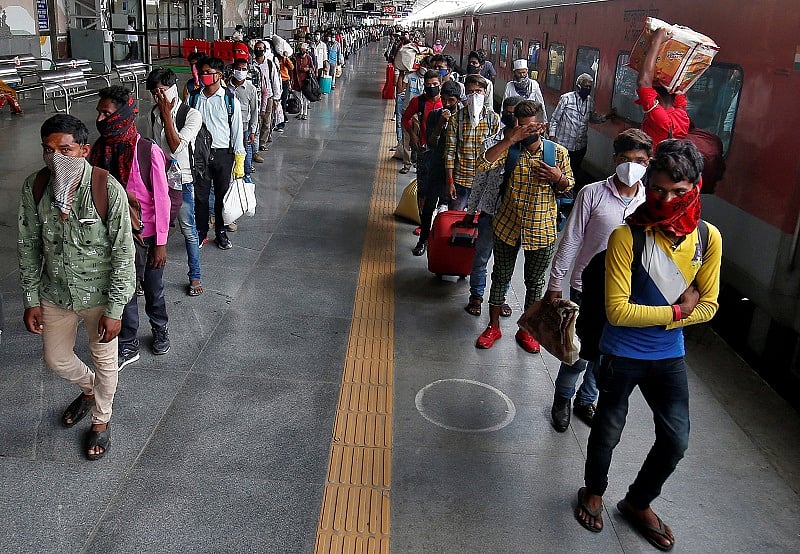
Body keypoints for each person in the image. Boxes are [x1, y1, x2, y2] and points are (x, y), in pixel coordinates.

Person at [575, 140, 722, 552]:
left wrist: (674, 313)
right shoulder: (627, 237)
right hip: (621, 353)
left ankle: (638, 501)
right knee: (606, 432)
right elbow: (619, 313)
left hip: (669, 357)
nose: (666, 200)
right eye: (657, 190)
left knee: (676, 439)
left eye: (679, 192)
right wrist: (677, 313)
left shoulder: (708, 239)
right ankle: (593, 491)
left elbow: (709, 306)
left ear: (696, 187)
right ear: (647, 187)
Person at [18, 114, 135, 460]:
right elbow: (28, 244)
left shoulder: (106, 188)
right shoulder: (36, 187)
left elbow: (124, 253)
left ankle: (101, 420)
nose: (56, 158)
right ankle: (89, 390)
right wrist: (30, 298)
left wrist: (116, 311)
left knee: (106, 362)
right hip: (55, 294)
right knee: (56, 359)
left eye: (65, 149)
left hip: (100, 296)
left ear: (84, 150)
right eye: (48, 150)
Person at [543, 129, 651, 432]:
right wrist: (555, 283)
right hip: (585, 287)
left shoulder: (650, 201)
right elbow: (572, 238)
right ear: (615, 159)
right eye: (626, 159)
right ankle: (563, 398)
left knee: (606, 354)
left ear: (649, 162)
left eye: (640, 160)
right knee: (578, 353)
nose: (632, 166)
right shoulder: (592, 193)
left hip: (627, 293)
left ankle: (586, 400)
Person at [475, 100, 573, 352]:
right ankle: (493, 326)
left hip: (542, 231)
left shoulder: (557, 153)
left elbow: (569, 186)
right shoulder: (510, 151)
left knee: (535, 281)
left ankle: (527, 330)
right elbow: (483, 163)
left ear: (542, 126)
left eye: (532, 127)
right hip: (507, 226)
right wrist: (510, 139)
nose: (528, 132)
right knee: (500, 276)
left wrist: (557, 177)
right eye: (522, 127)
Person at [90, 85, 171, 369]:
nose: (101, 119)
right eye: (99, 113)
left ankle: (160, 328)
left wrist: (160, 243)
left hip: (145, 237)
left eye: (107, 113)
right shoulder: (98, 150)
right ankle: (128, 342)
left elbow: (162, 200)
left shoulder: (146, 151)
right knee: (123, 292)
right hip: (112, 236)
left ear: (123, 114)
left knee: (153, 289)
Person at [463, 96, 523, 317]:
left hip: (513, 217)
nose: (512, 117)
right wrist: (471, 211)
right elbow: (479, 180)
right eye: (508, 112)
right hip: (489, 212)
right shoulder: (490, 143)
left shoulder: (528, 148)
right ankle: (476, 296)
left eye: (516, 113)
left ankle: (500, 298)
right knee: (481, 257)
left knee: (505, 262)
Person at [147, 67, 205, 297]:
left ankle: (195, 275)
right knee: (154, 229)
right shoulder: (152, 113)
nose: (157, 97)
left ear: (172, 89)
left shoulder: (191, 115)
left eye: (161, 90)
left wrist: (167, 115)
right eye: (154, 92)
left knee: (188, 229)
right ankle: (147, 276)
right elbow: (151, 145)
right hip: (159, 180)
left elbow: (176, 146)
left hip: (184, 180)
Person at [189, 56, 246, 250]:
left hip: (224, 154)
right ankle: (201, 232)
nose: (203, 76)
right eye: (201, 72)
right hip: (200, 156)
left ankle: (220, 233)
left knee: (222, 197)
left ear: (219, 75)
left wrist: (239, 160)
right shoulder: (194, 98)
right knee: (201, 197)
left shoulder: (230, 100)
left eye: (207, 72)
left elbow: (237, 131)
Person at [412, 80, 461, 256]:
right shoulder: (435, 115)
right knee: (429, 205)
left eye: (452, 101)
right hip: (437, 166)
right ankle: (423, 239)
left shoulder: (464, 119)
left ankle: (449, 246)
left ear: (458, 100)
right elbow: (431, 142)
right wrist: (440, 123)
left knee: (452, 208)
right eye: (445, 100)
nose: (447, 104)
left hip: (456, 170)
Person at [444, 74, 500, 211]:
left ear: (485, 93)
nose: (474, 96)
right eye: (470, 92)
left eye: (478, 91)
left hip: (484, 183)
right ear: (466, 94)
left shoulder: (493, 119)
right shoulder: (456, 119)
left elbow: (497, 152)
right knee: (456, 220)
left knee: (478, 224)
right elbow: (450, 153)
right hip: (461, 181)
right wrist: (450, 182)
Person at [636, 27, 690, 148]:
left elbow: (643, 83)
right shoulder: (682, 115)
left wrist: (656, 42)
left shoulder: (661, 120)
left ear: (656, 94)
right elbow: (679, 85)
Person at [548, 73, 608, 180]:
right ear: (578, 86)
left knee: (574, 170)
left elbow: (592, 118)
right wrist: (552, 136)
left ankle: (570, 189)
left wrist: (606, 117)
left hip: (580, 146)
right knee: (561, 171)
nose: (588, 89)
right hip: (564, 144)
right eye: (585, 86)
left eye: (590, 87)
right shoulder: (566, 99)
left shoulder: (590, 101)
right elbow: (555, 119)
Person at [229, 57, 260, 186]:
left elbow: (254, 111)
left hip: (244, 127)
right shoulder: (226, 87)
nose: (241, 72)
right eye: (238, 69)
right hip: (228, 127)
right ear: (233, 70)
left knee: (245, 152)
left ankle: (246, 175)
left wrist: (253, 131)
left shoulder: (250, 89)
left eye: (244, 69)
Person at [398, 60, 428, 173]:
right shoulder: (409, 76)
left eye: (427, 67)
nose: (425, 68)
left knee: (421, 139)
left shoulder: (429, 81)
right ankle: (406, 164)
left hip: (421, 113)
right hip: (408, 110)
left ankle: (418, 163)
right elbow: (400, 89)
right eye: (424, 65)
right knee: (407, 138)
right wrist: (401, 74)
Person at [253, 40, 281, 151]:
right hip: (255, 95)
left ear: (265, 50)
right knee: (256, 118)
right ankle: (254, 140)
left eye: (261, 48)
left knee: (266, 119)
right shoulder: (251, 63)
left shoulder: (269, 64)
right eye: (257, 48)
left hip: (268, 95)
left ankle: (262, 142)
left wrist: (276, 97)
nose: (258, 50)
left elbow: (275, 80)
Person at [291, 44, 314, 121]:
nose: (302, 51)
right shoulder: (295, 57)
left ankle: (305, 113)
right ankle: (300, 112)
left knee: (305, 98)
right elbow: (292, 68)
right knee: (298, 97)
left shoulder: (308, 58)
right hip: (297, 80)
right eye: (301, 49)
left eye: (303, 49)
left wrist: (307, 69)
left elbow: (312, 67)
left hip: (305, 81)